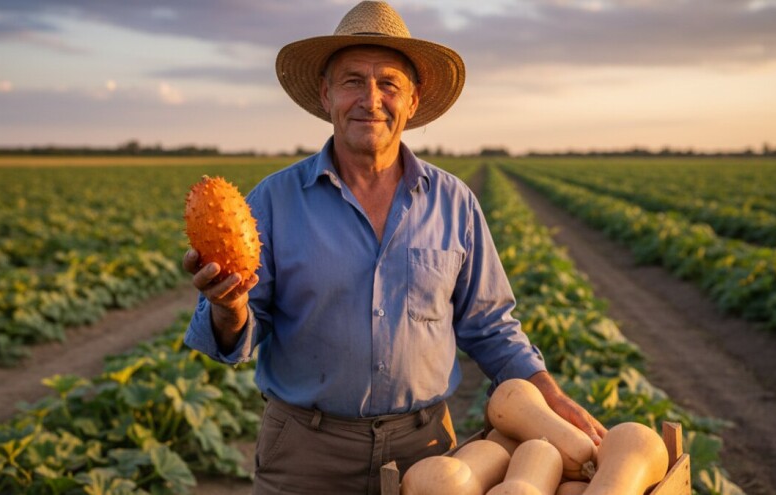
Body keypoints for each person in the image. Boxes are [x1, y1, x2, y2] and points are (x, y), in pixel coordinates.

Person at [183, 2, 606, 494]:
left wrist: (549, 396)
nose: (371, 99)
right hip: (305, 453)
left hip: (428, 452)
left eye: (388, 84)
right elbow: (237, 333)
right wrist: (229, 306)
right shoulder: (273, 201)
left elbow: (490, 325)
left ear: (412, 100)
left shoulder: (455, 203)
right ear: (325, 93)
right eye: (352, 81)